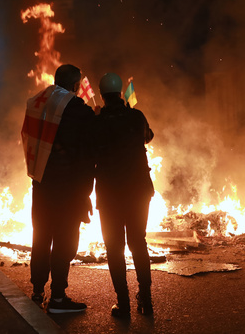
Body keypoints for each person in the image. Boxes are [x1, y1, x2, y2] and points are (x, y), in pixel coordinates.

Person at [21, 64, 95, 313]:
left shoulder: (38, 101)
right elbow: (86, 155)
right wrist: (85, 195)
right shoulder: (77, 109)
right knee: (65, 241)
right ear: (76, 86)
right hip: (68, 189)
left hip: (41, 183)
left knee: (41, 236)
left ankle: (37, 290)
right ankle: (58, 298)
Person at [94, 72, 155, 318]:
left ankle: (124, 303)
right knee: (138, 242)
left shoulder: (97, 121)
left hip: (110, 192)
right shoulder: (135, 115)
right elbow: (148, 137)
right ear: (120, 93)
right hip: (139, 189)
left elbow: (90, 149)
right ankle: (146, 299)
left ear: (102, 95)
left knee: (115, 247)